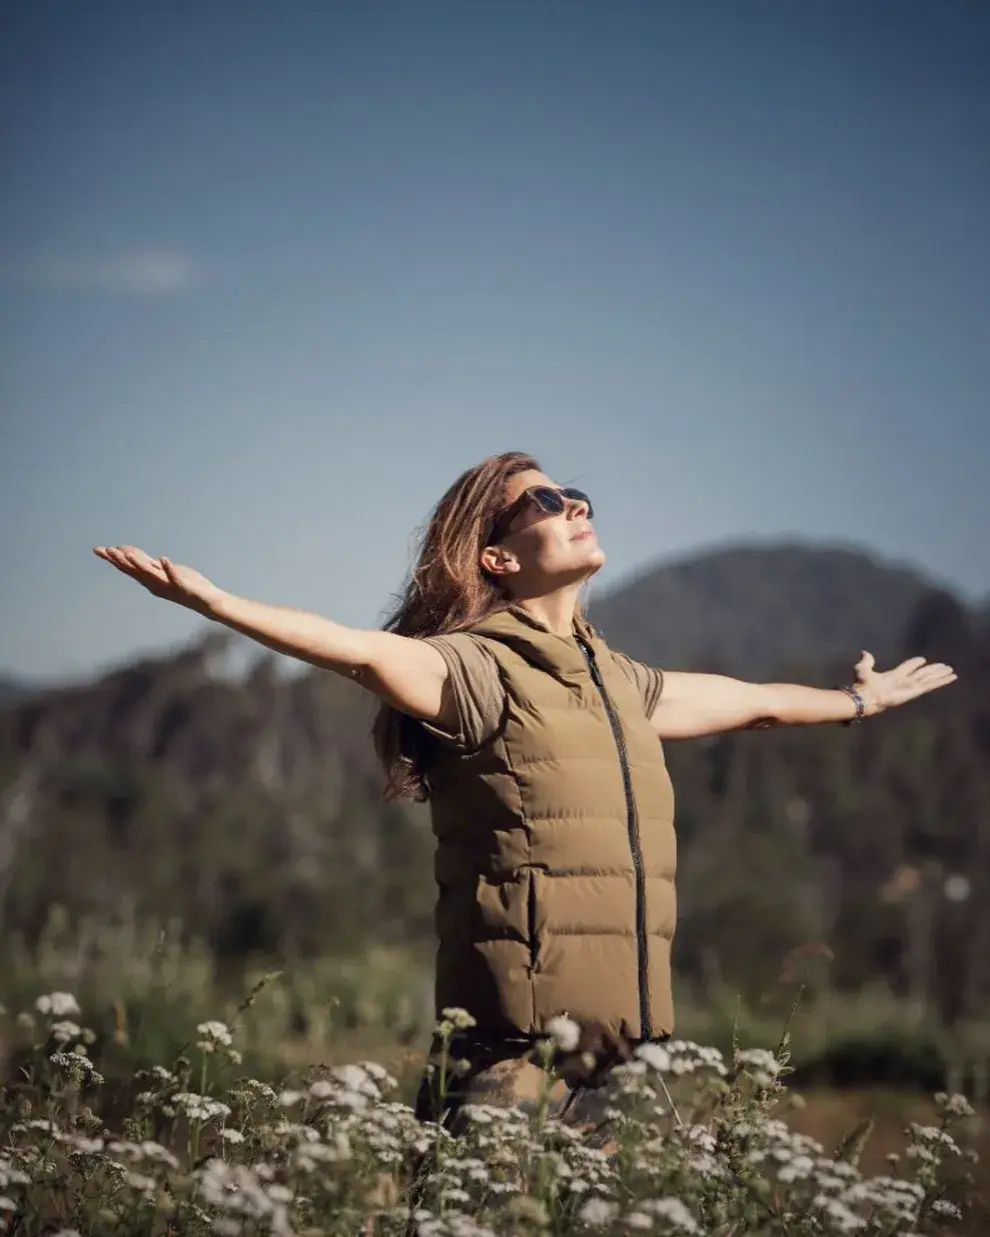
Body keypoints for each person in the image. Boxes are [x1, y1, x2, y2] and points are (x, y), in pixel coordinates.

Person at [93, 450, 956, 1131]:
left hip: (634, 1068)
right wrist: (214, 603)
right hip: (513, 1068)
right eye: (546, 502)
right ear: (497, 556)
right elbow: (354, 649)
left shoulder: (622, 681)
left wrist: (856, 702)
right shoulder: (475, 669)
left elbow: (752, 702)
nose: (576, 505)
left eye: (575, 493)